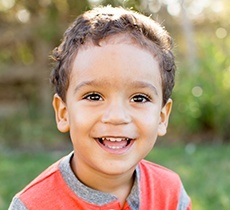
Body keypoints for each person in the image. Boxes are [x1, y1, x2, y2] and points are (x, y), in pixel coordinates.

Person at [9, 5, 192, 210]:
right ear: (63, 112)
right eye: (94, 96)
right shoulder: (32, 205)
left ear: (162, 117)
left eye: (139, 98)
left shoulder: (171, 195)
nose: (116, 116)